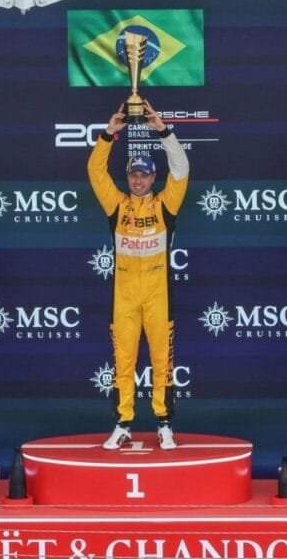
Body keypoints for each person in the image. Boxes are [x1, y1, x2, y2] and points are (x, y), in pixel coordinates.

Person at [88, 101, 190, 451]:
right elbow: (95, 172)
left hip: (159, 296)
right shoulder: (117, 205)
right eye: (133, 174)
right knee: (124, 363)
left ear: (153, 178)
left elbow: (181, 168)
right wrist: (108, 133)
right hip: (125, 297)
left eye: (145, 174)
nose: (139, 179)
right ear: (128, 176)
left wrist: (162, 129)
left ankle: (164, 424)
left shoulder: (165, 204)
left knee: (163, 361)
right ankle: (123, 423)